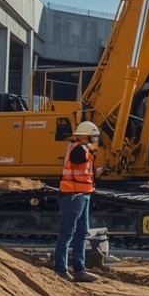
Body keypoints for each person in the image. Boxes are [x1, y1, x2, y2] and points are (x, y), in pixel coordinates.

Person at [54, 120, 103, 283]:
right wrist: (91, 149)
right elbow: (78, 159)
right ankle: (61, 269)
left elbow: (84, 170)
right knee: (68, 233)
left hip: (83, 194)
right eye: (94, 137)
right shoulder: (78, 148)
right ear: (86, 136)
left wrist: (98, 171)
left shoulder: (84, 149)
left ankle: (79, 270)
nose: (96, 140)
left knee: (82, 233)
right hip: (73, 195)